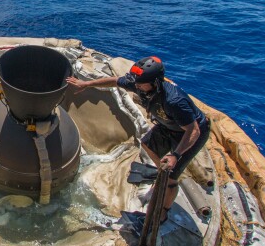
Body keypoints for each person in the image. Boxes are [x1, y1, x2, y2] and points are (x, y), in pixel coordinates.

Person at [66, 56, 210, 222]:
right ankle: (160, 172)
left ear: (155, 82)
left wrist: (175, 155)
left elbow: (193, 130)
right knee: (147, 145)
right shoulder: (140, 84)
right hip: (168, 126)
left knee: (171, 177)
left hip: (190, 132)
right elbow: (115, 81)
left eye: (140, 83)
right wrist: (86, 84)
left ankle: (162, 211)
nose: (136, 86)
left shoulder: (174, 101)